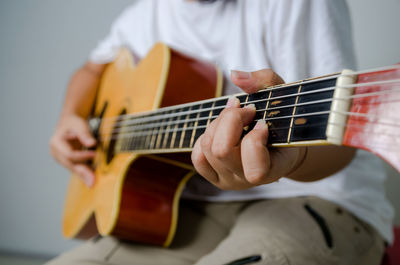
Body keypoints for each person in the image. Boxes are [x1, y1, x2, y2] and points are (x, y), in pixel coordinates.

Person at [48, 0, 394, 264]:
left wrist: (292, 158)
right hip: (177, 209)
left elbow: (343, 133)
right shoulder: (143, 14)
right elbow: (92, 70)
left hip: (317, 198)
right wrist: (70, 116)